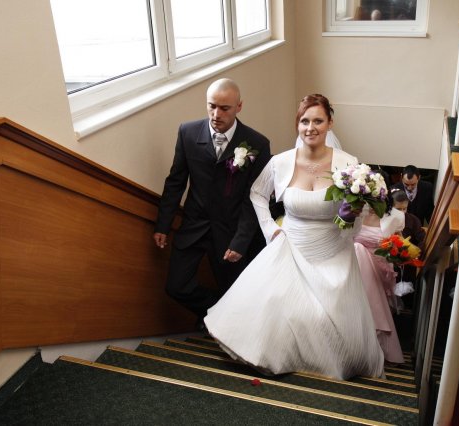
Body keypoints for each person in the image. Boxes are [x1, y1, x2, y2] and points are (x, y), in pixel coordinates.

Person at [205, 94, 385, 380]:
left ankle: (325, 366)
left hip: (333, 251)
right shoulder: (281, 162)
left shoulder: (348, 164)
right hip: (291, 246)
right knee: (280, 309)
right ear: (297, 124)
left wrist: (351, 217)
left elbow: (355, 224)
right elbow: (257, 193)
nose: (310, 128)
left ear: (330, 123)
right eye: (304, 121)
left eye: (318, 121)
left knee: (327, 319)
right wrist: (271, 229)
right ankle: (286, 361)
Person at [154, 78, 271, 332]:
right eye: (211, 106)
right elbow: (176, 181)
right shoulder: (187, 132)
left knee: (236, 291)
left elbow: (255, 198)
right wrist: (163, 224)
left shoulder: (258, 144)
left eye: (224, 108)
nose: (216, 114)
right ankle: (215, 309)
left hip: (230, 232)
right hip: (193, 225)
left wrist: (240, 241)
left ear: (239, 107)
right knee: (176, 286)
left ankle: (229, 324)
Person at [354, 204, 406, 365]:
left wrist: (401, 254)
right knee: (358, 249)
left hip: (380, 267)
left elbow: (401, 243)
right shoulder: (355, 209)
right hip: (355, 267)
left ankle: (374, 347)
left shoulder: (396, 216)